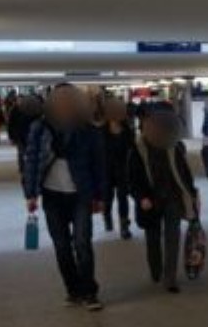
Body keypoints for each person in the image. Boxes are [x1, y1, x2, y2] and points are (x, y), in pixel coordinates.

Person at [22, 83, 107, 310]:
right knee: (62, 246)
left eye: (69, 100)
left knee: (82, 243)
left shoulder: (87, 129)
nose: (64, 104)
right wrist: (30, 193)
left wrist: (100, 197)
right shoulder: (40, 128)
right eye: (60, 100)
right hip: (52, 195)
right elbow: (31, 160)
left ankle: (89, 292)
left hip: (81, 194)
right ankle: (73, 290)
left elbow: (99, 165)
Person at [129, 106, 199, 294]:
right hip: (150, 200)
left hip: (172, 197)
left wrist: (192, 194)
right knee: (153, 237)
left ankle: (170, 278)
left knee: (172, 236)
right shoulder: (138, 149)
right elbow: (132, 178)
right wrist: (141, 197)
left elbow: (184, 174)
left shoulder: (175, 147)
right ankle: (156, 269)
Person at [100, 98, 135, 239]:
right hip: (106, 169)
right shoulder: (101, 131)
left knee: (122, 198)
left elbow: (132, 150)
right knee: (107, 197)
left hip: (122, 169)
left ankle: (124, 226)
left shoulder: (127, 130)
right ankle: (107, 216)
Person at [8, 94, 43, 172]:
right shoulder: (15, 110)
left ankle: (28, 167)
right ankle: (23, 167)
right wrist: (12, 136)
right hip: (20, 135)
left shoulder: (31, 112)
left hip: (27, 135)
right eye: (19, 100)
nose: (20, 102)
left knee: (29, 152)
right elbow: (11, 124)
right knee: (22, 152)